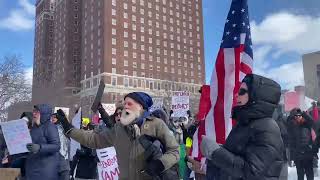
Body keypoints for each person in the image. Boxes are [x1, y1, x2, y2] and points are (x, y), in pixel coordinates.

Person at [57, 92, 180, 180]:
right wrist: (69, 129)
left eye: (129, 104)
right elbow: (94, 139)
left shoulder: (156, 124)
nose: (125, 106)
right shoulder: (118, 128)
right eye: (125, 103)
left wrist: (160, 164)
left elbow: (175, 151)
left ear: (141, 107)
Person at [200, 74, 284, 180]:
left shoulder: (268, 127)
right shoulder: (245, 123)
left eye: (242, 92)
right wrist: (220, 150)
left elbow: (251, 171)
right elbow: (238, 156)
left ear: (256, 96)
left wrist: (216, 153)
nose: (236, 95)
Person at [25, 104, 60, 180]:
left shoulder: (50, 127)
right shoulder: (34, 128)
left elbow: (56, 146)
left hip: (45, 171)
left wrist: (40, 147)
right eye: (33, 111)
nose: (34, 113)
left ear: (44, 114)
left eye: (37, 112)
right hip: (33, 168)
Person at [288, 108, 315, 180]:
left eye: (299, 116)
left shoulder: (306, 124)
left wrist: (303, 113)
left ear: (302, 116)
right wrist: (291, 157)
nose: (297, 117)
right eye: (296, 116)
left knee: (310, 174)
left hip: (308, 153)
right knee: (300, 175)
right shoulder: (292, 126)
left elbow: (312, 121)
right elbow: (291, 143)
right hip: (298, 155)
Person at [51, 113, 71, 180]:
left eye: (55, 117)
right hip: (53, 159)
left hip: (63, 158)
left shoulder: (64, 128)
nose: (53, 118)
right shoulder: (49, 128)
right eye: (52, 117)